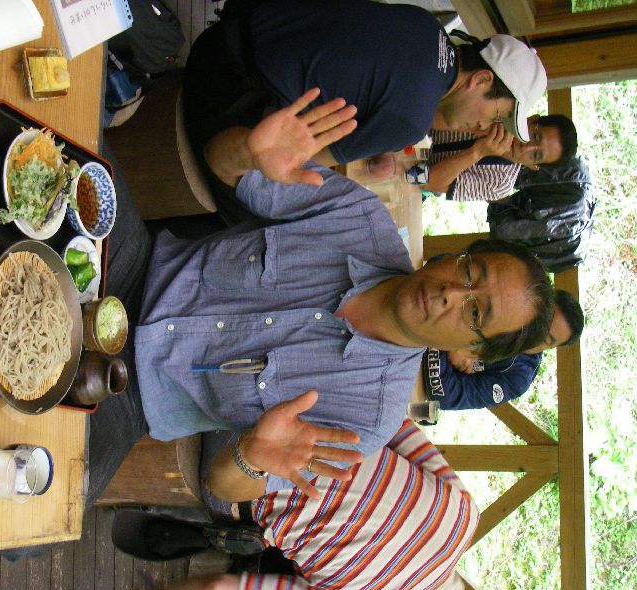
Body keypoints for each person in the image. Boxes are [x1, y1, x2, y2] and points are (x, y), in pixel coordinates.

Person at [88, 91, 555, 505]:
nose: (450, 293)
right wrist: (248, 152)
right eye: (470, 272)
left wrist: (251, 457)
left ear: (470, 350)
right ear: (455, 255)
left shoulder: (369, 416)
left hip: (129, 394)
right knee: (66, 149)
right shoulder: (360, 218)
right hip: (132, 266)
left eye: (475, 312)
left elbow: (223, 485)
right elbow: (223, 161)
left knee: (51, 481)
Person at [182, 0, 547, 223]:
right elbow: (309, 158)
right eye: (494, 115)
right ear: (481, 80)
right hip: (222, 94)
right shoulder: (413, 120)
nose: (483, 125)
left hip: (226, 34)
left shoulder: (427, 25)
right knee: (253, 225)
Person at [140, 420, 479, 590]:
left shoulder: (465, 514)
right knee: (266, 545)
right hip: (231, 466)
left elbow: (394, 423)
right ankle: (196, 535)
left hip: (280, 409)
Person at [417, 290, 584, 410]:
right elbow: (440, 279)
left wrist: (446, 341)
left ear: (550, 348)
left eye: (545, 338)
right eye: (541, 320)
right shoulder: (510, 292)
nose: (536, 332)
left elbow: (446, 395)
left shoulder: (519, 376)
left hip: (414, 375)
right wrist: (454, 341)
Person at [424, 114, 579, 202]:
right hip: (416, 126)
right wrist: (471, 126)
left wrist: (476, 153)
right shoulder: (497, 109)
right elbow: (429, 111)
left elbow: (427, 182)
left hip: (414, 175)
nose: (526, 147)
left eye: (535, 155)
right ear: (532, 119)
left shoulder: (501, 183)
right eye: (535, 136)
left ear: (533, 166)